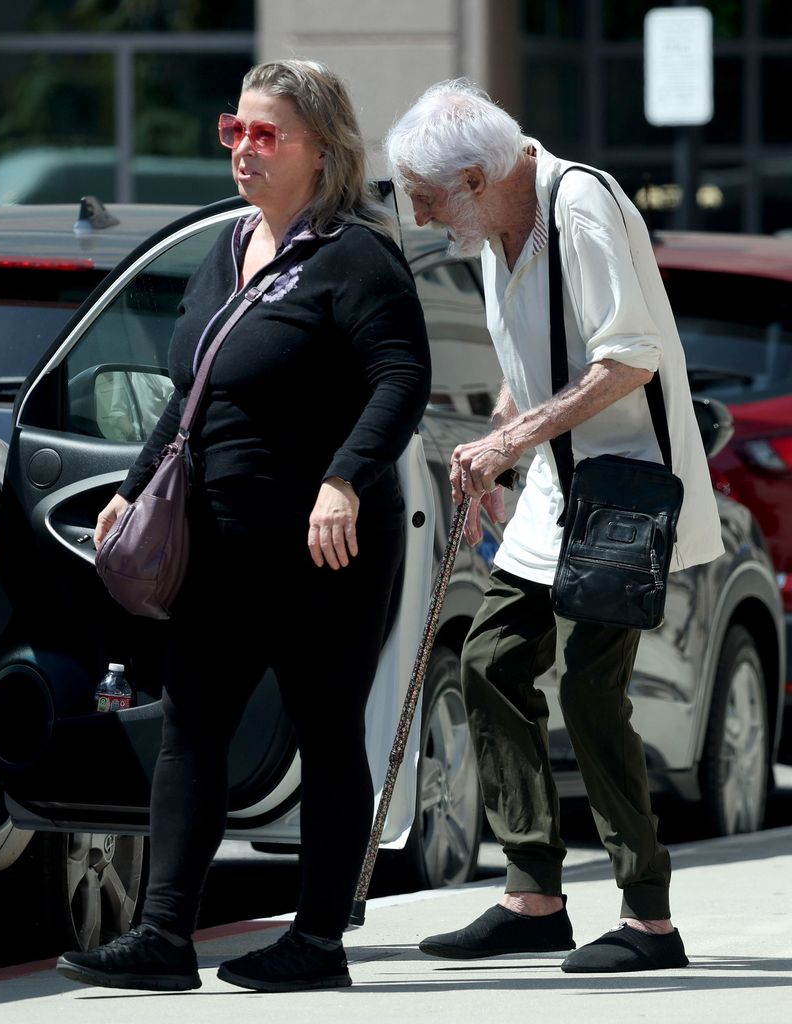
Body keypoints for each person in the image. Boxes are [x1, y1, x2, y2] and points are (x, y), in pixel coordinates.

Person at [56, 59, 431, 994]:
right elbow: (191, 395)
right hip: (221, 543)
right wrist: (133, 486)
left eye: (268, 135)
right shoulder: (224, 249)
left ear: (323, 150)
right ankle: (164, 938)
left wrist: (345, 477)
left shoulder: (356, 254)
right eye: (235, 131)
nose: (244, 152)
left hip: (325, 546)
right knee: (191, 728)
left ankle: (316, 944)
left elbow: (401, 380)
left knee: (326, 728)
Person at [385, 79, 722, 974]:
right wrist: (506, 439)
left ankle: (649, 918)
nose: (422, 217)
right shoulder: (493, 225)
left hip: (626, 492)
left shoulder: (577, 206)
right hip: (554, 492)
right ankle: (532, 894)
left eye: (427, 198)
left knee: (588, 689)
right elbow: (527, 365)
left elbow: (630, 359)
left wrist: (514, 437)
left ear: (474, 174)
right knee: (493, 660)